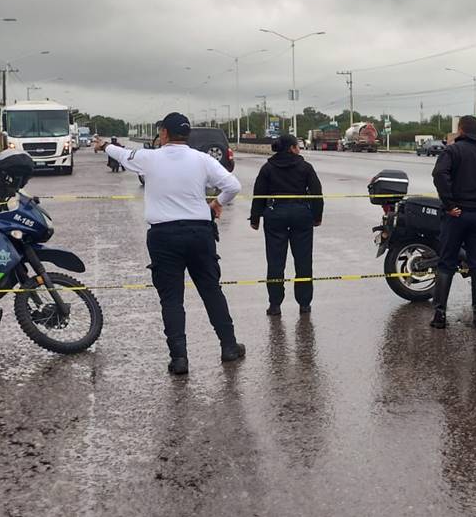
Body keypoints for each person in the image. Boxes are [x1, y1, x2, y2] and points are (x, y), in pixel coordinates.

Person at [96, 112, 245, 376]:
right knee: (211, 290)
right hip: (200, 234)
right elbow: (233, 185)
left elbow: (121, 154)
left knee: (171, 299)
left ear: (164, 133)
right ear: (187, 135)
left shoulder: (149, 158)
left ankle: (179, 359)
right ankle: (229, 347)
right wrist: (216, 203)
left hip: (163, 236)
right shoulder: (203, 160)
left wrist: (103, 145)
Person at [430, 115, 476, 329]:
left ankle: (440, 315)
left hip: (456, 216)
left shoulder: (451, 151)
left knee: (446, 262)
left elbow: (439, 174)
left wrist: (449, 204)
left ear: (461, 130)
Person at [249, 134, 324, 316]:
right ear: (291, 148)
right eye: (297, 146)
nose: (299, 149)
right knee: (303, 260)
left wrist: (255, 218)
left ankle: (275, 305)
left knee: (275, 262)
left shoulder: (267, 168)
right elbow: (316, 193)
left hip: (275, 214)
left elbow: (259, 193)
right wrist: (317, 216)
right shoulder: (305, 167)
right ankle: (304, 304)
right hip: (301, 214)